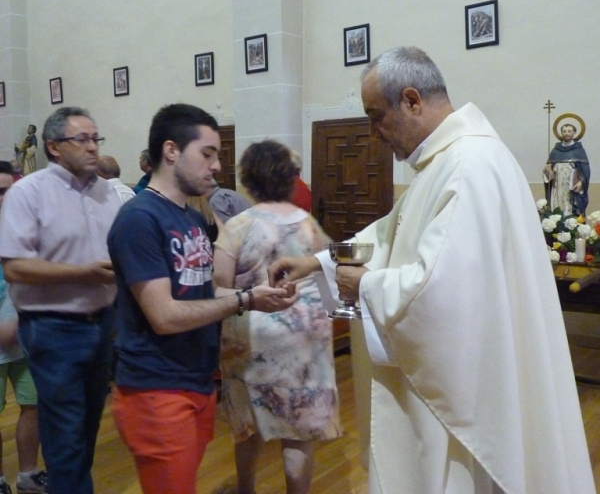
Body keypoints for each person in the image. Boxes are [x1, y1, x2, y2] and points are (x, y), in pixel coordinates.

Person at [269, 46, 595, 494]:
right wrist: (320, 262)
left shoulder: (465, 167)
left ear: (411, 100)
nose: (373, 132)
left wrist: (365, 286)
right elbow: (392, 233)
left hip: (462, 395)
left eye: (375, 115)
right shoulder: (454, 160)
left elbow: (441, 292)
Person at [106, 104, 297, 494]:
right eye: (207, 154)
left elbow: (201, 290)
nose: (216, 167)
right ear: (172, 150)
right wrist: (242, 302)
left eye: (218, 157)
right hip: (155, 388)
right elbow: (164, 315)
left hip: (195, 380)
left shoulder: (191, 219)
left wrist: (256, 296)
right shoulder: (139, 218)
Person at [0, 107, 121, 494]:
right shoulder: (28, 192)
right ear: (53, 146)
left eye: (95, 138)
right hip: (52, 328)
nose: (92, 147)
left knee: (86, 427)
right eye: (81, 139)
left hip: (103, 323)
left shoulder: (109, 193)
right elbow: (16, 268)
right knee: (65, 431)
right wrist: (84, 273)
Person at [213, 140, 341, 494]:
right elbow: (330, 274)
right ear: (288, 177)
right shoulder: (309, 224)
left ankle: (245, 488)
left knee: (248, 419)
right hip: (304, 336)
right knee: (298, 427)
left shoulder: (238, 226)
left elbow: (218, 287)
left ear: (248, 179)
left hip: (252, 336)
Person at [0, 162, 47, 494]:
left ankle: (28, 475)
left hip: (24, 333)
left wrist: (19, 319)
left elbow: (41, 279)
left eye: (6, 191)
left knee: (32, 406)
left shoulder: (27, 230)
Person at [543, 122, 590, 216]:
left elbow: (585, 170)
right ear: (561, 133)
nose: (566, 133)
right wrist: (547, 172)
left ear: (574, 133)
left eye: (569, 131)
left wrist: (581, 182)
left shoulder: (579, 150)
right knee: (557, 207)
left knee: (570, 208)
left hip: (572, 187)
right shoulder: (555, 150)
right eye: (564, 131)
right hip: (557, 187)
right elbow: (549, 172)